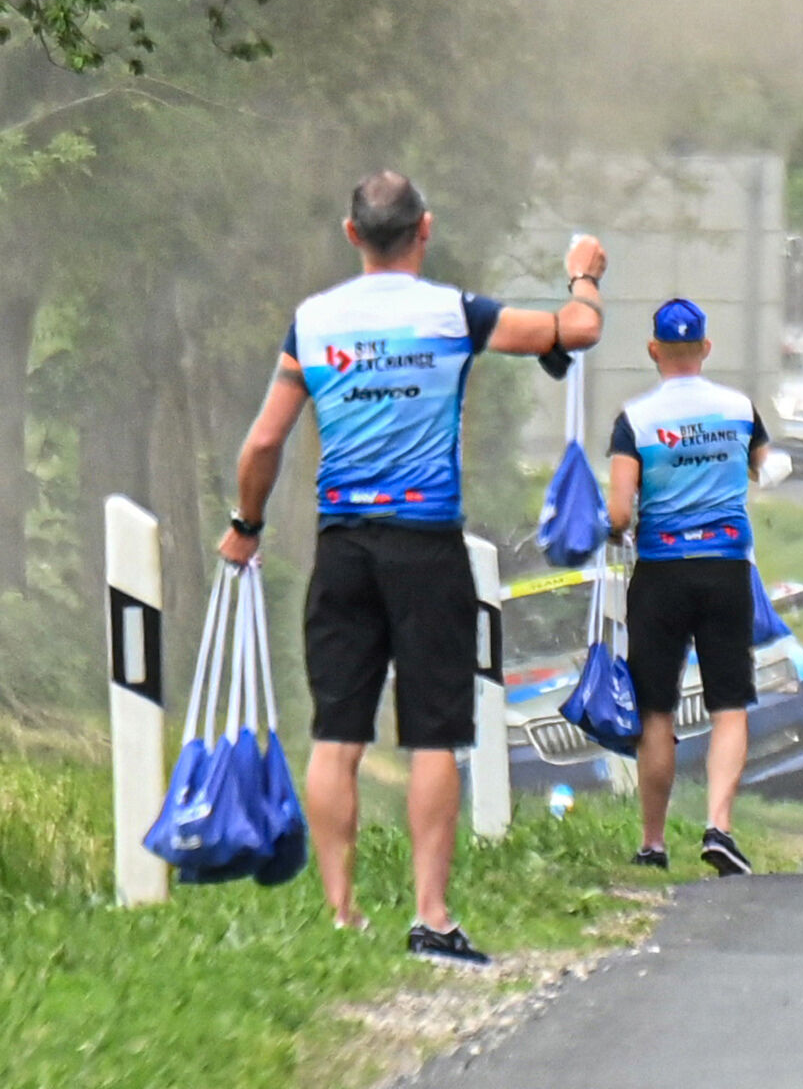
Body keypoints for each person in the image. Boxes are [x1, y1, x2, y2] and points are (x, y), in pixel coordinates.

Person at [221, 172, 604, 966]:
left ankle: (339, 912)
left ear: (351, 232)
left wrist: (244, 529)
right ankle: (431, 914)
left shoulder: (314, 323)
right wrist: (586, 276)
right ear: (423, 230)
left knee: (337, 735)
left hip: (344, 546)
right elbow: (574, 332)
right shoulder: (456, 315)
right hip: (427, 544)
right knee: (434, 736)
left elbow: (263, 445)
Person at [605, 300, 771, 878]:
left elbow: (621, 514)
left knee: (656, 711)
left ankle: (652, 842)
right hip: (726, 569)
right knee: (729, 703)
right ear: (705, 348)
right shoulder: (739, 409)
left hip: (660, 574)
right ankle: (718, 826)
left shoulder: (635, 419)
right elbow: (766, 468)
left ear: (654, 350)